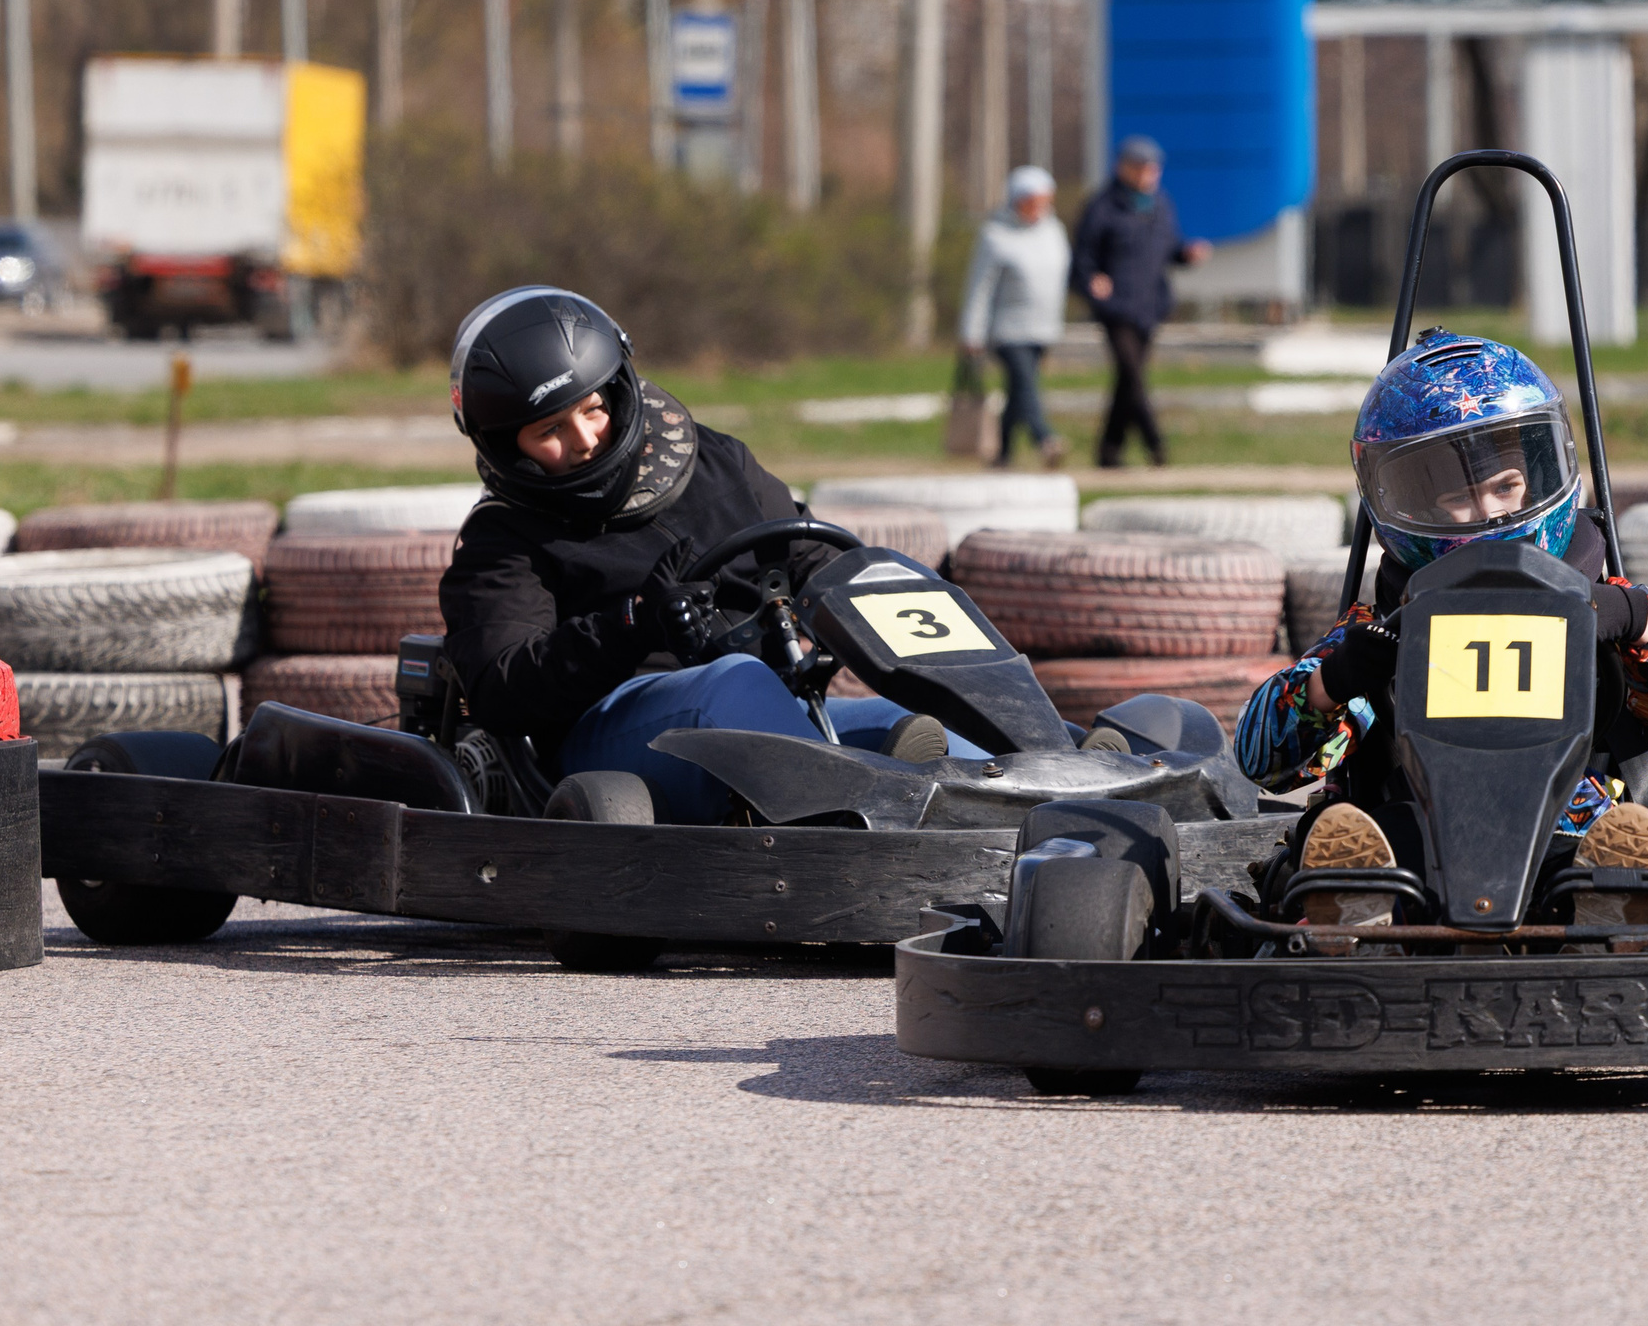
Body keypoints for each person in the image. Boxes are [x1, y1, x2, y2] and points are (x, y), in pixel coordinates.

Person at [1232, 330, 1648, 940]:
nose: (1489, 513)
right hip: (1418, 843)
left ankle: (1612, 919)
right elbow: (1261, 759)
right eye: (1458, 497)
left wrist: (1629, 614)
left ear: (1542, 472)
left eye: (1504, 486)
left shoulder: (1611, 604)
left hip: (1576, 832)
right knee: (1359, 845)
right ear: (1408, 504)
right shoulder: (1377, 629)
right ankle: (1365, 922)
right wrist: (1340, 678)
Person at [438, 286, 976, 824]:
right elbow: (501, 688)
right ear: (507, 444)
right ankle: (843, 825)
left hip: (765, 711)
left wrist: (881, 597)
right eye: (550, 429)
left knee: (926, 723)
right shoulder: (502, 538)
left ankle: (1003, 811)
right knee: (736, 681)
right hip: (612, 731)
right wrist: (630, 625)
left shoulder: (715, 461)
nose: (585, 440)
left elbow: (816, 559)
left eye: (593, 409)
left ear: (618, 394)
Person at [1069, 135, 1210, 468]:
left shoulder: (1160, 205)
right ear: (1124, 168)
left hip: (1150, 305)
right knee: (1132, 374)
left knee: (1126, 381)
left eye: (1153, 169)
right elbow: (1083, 257)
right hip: (1115, 306)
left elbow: (1169, 249)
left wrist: (1187, 254)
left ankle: (1109, 452)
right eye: (1142, 168)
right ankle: (1155, 444)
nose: (1149, 175)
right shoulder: (1102, 207)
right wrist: (1092, 279)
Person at [957, 165, 1071, 468]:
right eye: (1032, 201)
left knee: (1018, 390)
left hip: (1043, 327)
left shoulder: (1053, 231)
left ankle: (1002, 454)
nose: (1038, 208)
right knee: (1025, 382)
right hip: (1007, 329)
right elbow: (979, 287)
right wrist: (971, 332)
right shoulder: (995, 235)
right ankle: (1044, 438)